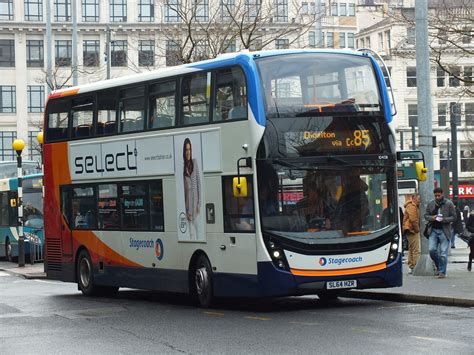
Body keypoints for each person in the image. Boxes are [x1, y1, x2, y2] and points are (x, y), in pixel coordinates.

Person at [424, 187, 456, 278]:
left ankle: (442, 272)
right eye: (435, 196)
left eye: (439, 195)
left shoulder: (449, 203)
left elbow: (454, 217)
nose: (437, 197)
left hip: (444, 230)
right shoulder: (431, 204)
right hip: (433, 230)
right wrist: (432, 217)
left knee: (443, 253)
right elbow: (426, 215)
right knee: (432, 250)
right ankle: (439, 266)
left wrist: (444, 220)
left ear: (442, 194)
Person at [183, 138, 201, 240]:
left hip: (196, 207)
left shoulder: (195, 163)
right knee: (191, 235)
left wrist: (199, 204)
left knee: (199, 233)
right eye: (186, 150)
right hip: (189, 209)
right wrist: (187, 211)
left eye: (189, 149)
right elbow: (185, 192)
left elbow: (199, 185)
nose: (188, 152)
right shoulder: (183, 168)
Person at [402, 193, 421, 274]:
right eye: (418, 199)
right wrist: (417, 229)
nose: (419, 201)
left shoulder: (412, 205)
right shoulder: (412, 206)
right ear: (414, 198)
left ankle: (412, 266)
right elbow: (413, 219)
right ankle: (415, 266)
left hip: (409, 229)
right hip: (411, 229)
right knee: (416, 249)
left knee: (412, 248)